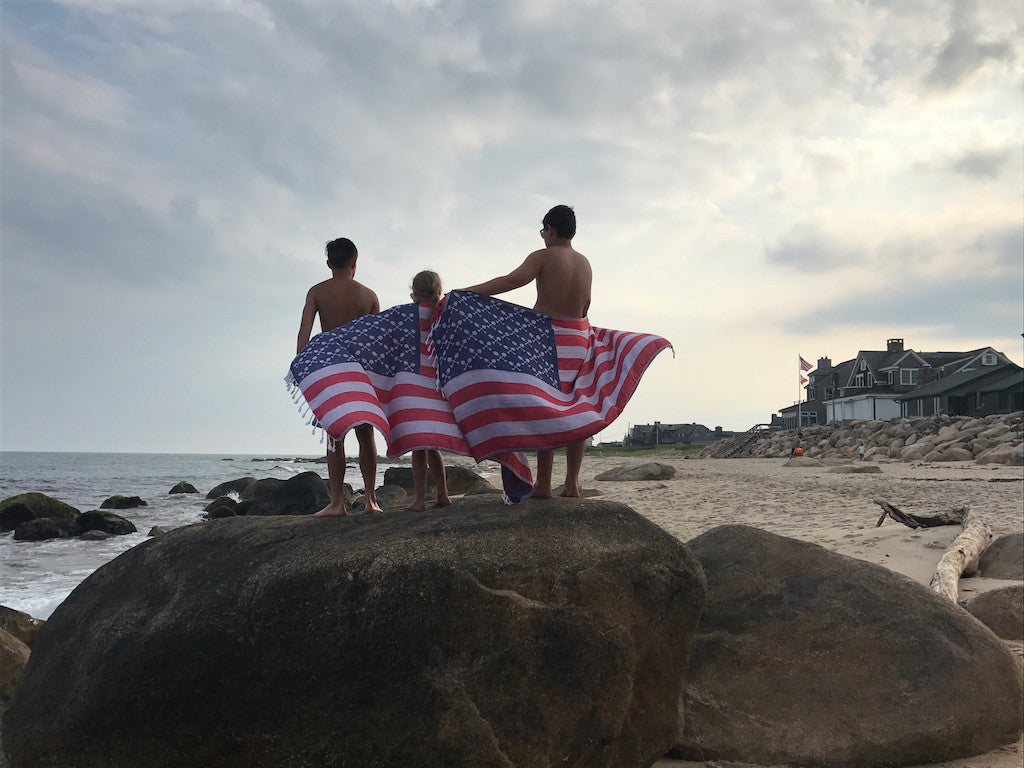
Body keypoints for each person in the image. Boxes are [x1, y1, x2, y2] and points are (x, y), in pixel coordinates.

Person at [463, 204, 592, 498]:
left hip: (547, 338)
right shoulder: (585, 263)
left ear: (550, 229)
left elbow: (511, 281)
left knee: (543, 407)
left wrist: (468, 293)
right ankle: (572, 484)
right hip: (579, 338)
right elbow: (585, 307)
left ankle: (544, 484)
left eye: (543, 231)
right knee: (576, 410)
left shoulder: (543, 256)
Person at [296, 237, 383, 516]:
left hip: (330, 368)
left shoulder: (317, 292)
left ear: (329, 263)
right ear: (355, 262)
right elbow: (376, 341)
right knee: (366, 433)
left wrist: (302, 368)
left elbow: (304, 332)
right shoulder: (369, 296)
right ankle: (370, 500)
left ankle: (337, 503)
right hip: (361, 370)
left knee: (335, 434)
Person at [404, 270, 453, 512]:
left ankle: (420, 499)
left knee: (418, 445)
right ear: (439, 290)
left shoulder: (409, 315)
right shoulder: (445, 313)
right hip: (439, 385)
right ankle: (443, 494)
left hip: (417, 386)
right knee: (432, 443)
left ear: (413, 293)